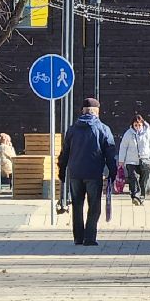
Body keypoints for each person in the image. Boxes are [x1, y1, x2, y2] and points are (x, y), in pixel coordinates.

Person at [58, 97, 117, 246]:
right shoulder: (103, 129)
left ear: (82, 111)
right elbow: (110, 152)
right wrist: (113, 172)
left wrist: (62, 170)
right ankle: (89, 237)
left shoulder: (72, 129)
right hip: (94, 173)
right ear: (97, 112)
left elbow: (64, 152)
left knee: (77, 205)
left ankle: (78, 238)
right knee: (94, 205)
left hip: (75, 173)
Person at [116, 113, 150, 205]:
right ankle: (135, 196)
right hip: (131, 160)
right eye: (135, 125)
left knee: (143, 179)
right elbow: (123, 147)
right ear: (132, 125)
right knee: (134, 177)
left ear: (142, 124)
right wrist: (121, 160)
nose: (137, 127)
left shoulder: (148, 133)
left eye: (139, 125)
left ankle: (141, 196)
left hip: (145, 160)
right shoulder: (128, 134)